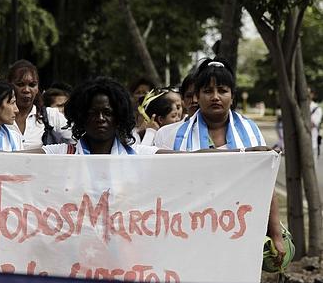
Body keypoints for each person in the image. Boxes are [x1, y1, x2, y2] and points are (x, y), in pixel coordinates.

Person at [153, 57, 285, 261]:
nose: (215, 97)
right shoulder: (169, 135)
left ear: (232, 96)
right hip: (188, 231)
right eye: (207, 91)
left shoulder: (251, 131)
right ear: (196, 96)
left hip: (239, 231)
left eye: (222, 90)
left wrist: (276, 235)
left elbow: (266, 186)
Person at [41, 77, 159, 155]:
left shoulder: (136, 154)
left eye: (107, 113)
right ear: (81, 116)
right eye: (93, 113)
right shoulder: (62, 153)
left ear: (119, 116)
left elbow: (176, 159)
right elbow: (22, 157)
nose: (100, 118)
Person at [6, 60, 72, 149]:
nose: (26, 90)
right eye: (20, 84)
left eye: (32, 85)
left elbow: (76, 140)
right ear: (9, 85)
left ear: (37, 88)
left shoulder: (50, 116)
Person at [309, 87, 322, 159]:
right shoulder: (298, 107)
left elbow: (311, 124)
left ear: (312, 95)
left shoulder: (317, 108)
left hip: (313, 144)